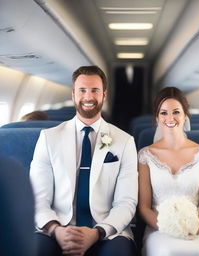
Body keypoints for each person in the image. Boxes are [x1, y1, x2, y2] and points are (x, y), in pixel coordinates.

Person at [30, 66, 138, 256]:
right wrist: (56, 229)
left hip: (106, 229)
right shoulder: (49, 138)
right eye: (82, 90)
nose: (88, 97)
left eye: (95, 90)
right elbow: (38, 198)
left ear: (104, 95)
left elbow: (126, 202)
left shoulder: (124, 141)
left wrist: (97, 232)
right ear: (73, 95)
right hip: (57, 226)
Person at [138, 87, 199, 256]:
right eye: (163, 113)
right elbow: (144, 207)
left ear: (185, 115)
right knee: (163, 251)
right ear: (157, 118)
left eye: (176, 112)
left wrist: (193, 228)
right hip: (159, 229)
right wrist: (167, 227)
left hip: (198, 228)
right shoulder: (145, 155)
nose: (170, 118)